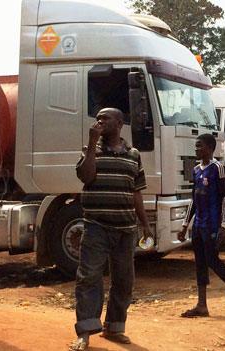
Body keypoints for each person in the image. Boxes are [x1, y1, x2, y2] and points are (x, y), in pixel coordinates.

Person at [70, 108, 153, 351]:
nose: (99, 122)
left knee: (124, 280)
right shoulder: (90, 151)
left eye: (105, 119)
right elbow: (86, 177)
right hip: (96, 226)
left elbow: (136, 191)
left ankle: (115, 327)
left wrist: (145, 224)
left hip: (126, 229)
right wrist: (91, 142)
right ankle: (84, 332)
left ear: (119, 123)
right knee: (89, 277)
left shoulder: (134, 155)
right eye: (98, 118)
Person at [179, 133, 225, 317]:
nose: (196, 149)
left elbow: (224, 198)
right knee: (200, 263)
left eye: (199, 146)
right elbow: (194, 199)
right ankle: (202, 305)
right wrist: (185, 224)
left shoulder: (217, 168)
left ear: (209, 148)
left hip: (212, 223)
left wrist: (224, 224)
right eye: (196, 146)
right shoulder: (196, 170)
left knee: (212, 259)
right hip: (198, 225)